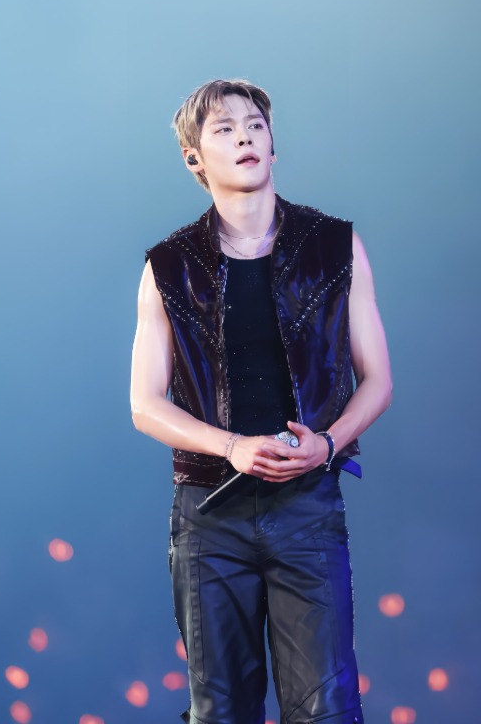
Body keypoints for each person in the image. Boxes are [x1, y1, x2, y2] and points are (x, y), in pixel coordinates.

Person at [130, 79, 393, 724]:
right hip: (209, 514)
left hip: (307, 508)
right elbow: (144, 403)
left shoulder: (335, 245)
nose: (244, 137)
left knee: (327, 709)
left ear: (273, 144)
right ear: (195, 158)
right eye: (223, 129)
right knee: (220, 711)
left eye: (255, 125)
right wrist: (231, 447)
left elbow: (378, 380)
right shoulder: (169, 265)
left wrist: (326, 445)